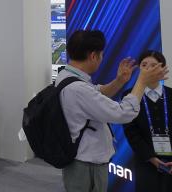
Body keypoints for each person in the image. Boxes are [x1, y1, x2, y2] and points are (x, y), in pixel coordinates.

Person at [56, 30, 167, 192]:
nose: (102, 59)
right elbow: (123, 113)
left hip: (84, 159)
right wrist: (141, 82)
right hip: (86, 163)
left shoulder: (69, 77)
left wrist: (120, 80)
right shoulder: (78, 89)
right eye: (101, 55)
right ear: (93, 56)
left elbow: (97, 93)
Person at [123, 51, 172, 191]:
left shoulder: (170, 94)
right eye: (144, 65)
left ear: (162, 68)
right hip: (145, 161)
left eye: (153, 65)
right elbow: (131, 132)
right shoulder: (130, 96)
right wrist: (151, 158)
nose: (148, 69)